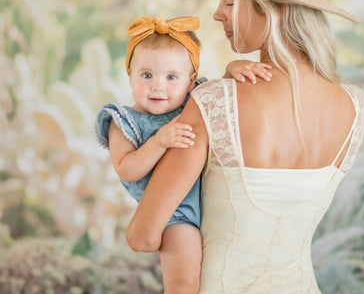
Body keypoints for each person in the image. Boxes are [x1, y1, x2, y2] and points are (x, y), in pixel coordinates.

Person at [124, 0, 364, 293]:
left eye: (228, 1)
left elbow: (143, 236)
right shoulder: (355, 107)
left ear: (274, 8)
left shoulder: (215, 104)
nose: (216, 14)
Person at [95, 15, 272, 293]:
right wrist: (158, 143)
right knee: (184, 283)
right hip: (175, 216)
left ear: (190, 82)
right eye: (146, 75)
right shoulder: (124, 121)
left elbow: (219, 95)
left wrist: (232, 70)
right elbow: (126, 169)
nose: (158, 86)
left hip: (210, 201)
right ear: (129, 75)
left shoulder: (194, 101)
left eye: (171, 77)